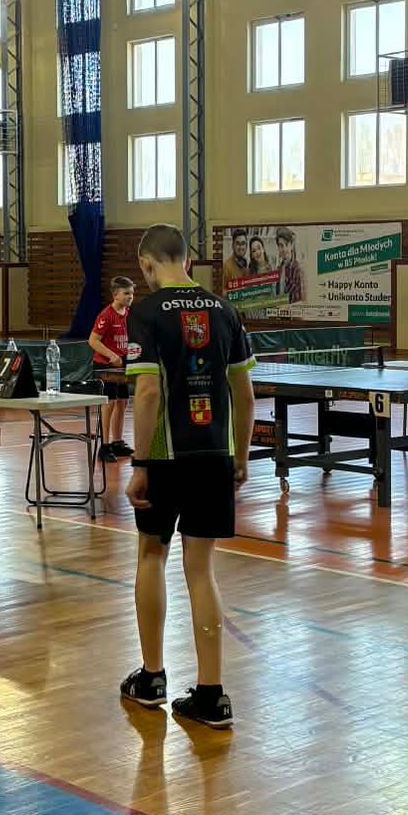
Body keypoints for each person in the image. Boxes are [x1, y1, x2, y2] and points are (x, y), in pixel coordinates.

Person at [120, 224, 255, 730]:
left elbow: (148, 392)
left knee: (151, 555)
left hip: (165, 456)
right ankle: (212, 694)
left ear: (146, 264)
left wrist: (140, 463)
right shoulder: (225, 310)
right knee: (201, 570)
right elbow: (245, 394)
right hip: (215, 454)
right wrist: (240, 457)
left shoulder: (146, 312)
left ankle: (152, 677)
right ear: (189, 261)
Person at [88, 275, 136, 463]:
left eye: (132, 293)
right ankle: (104, 445)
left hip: (122, 366)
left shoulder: (130, 314)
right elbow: (93, 341)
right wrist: (111, 355)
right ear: (115, 295)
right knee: (108, 403)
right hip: (105, 366)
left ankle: (117, 442)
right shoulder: (106, 315)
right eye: (126, 293)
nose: (130, 297)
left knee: (122, 402)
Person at [274, 228, 304, 306]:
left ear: (291, 245)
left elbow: (298, 299)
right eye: (281, 245)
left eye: (286, 245)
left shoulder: (297, 269)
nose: (284, 249)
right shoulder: (279, 268)